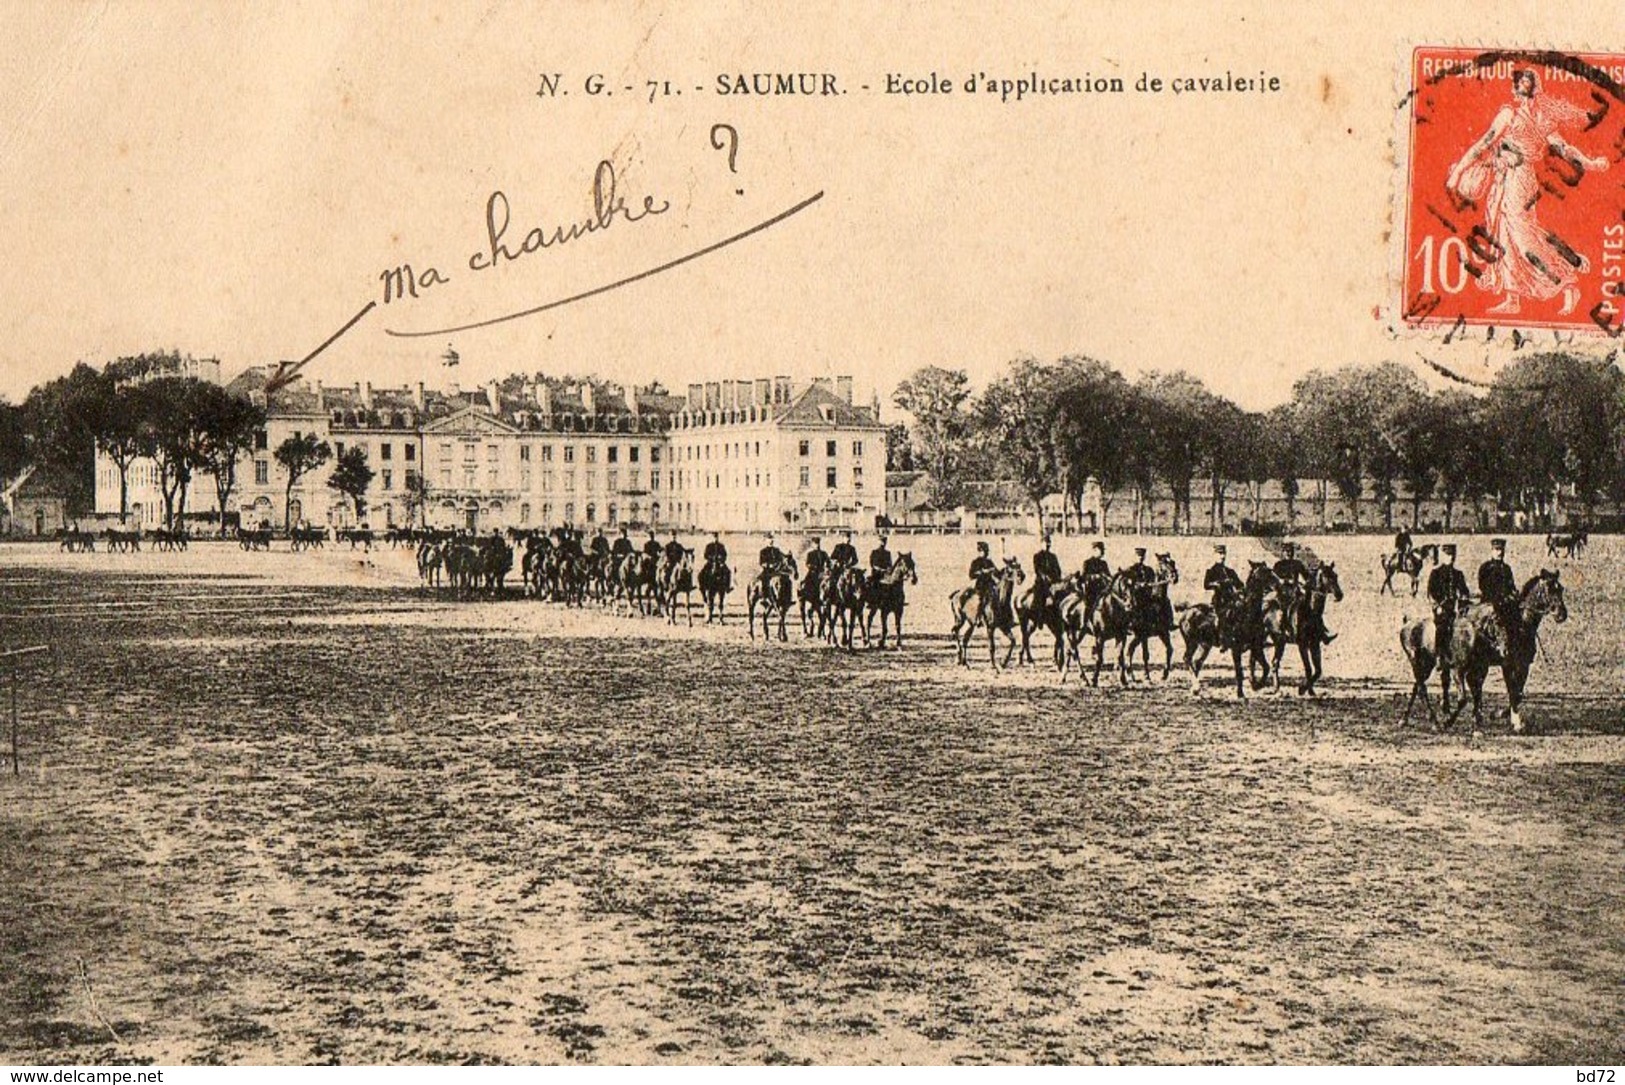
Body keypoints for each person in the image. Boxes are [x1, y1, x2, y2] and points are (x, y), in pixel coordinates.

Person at [1448, 69, 1612, 316]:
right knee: (1504, 236)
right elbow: (1483, 143)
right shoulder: (1508, 114)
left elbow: (1564, 148)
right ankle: (1513, 298)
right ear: (1515, 88)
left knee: (1525, 238)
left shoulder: (1543, 119)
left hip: (1522, 181)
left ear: (1537, 87)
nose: (1526, 86)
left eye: (1530, 81)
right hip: (1503, 180)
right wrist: (1458, 172)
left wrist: (1590, 163)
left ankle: (1568, 282)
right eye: (1522, 82)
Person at [1427, 543, 1472, 661]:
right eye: (1448, 555)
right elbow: (1431, 593)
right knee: (1442, 627)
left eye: (1452, 555)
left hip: (1456, 608)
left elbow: (1464, 591)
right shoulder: (1435, 573)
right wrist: (1437, 606)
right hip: (1442, 609)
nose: (1451, 558)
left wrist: (1464, 599)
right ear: (1443, 556)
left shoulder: (1458, 574)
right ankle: (1440, 656)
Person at [1478, 537, 1518, 632]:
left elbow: (1511, 585)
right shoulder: (1485, 568)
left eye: (1501, 549)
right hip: (1489, 603)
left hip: (1506, 604)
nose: (1499, 553)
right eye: (1497, 549)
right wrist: (1499, 597)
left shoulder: (1506, 569)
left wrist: (1513, 593)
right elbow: (1483, 586)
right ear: (1492, 550)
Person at [1032, 532, 1063, 611]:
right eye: (1045, 543)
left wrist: (1057, 577)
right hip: (1041, 582)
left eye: (1048, 543)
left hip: (1053, 581)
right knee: (1039, 598)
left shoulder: (1053, 557)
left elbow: (1058, 569)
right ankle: (1037, 615)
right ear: (1041, 544)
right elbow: (1038, 569)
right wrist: (1045, 576)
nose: (1047, 545)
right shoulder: (1037, 556)